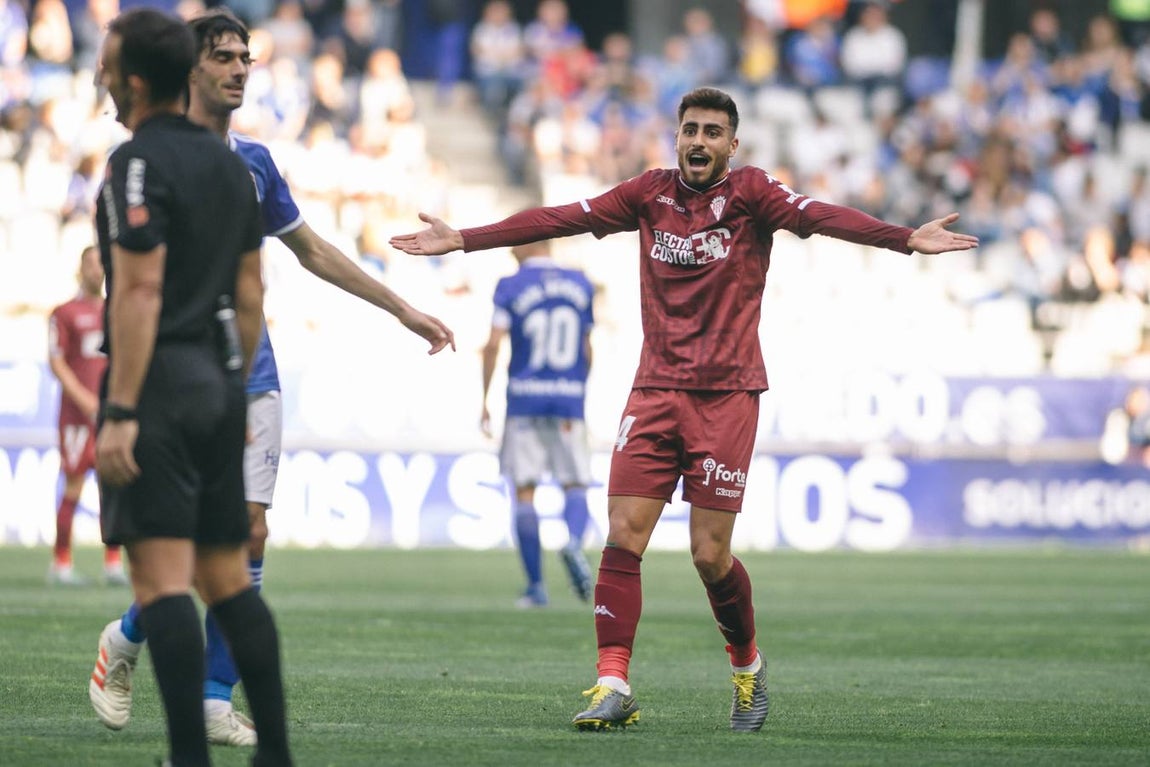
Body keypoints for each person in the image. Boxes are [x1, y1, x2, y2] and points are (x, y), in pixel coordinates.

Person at [390, 86, 979, 732]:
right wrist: (465, 239)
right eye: (689, 129)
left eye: (711, 132)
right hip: (655, 391)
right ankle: (612, 683)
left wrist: (903, 239)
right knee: (624, 533)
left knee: (709, 555)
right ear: (677, 138)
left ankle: (747, 667)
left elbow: (818, 216)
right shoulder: (649, 194)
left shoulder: (754, 193)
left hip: (727, 396)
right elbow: (565, 218)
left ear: (732, 144)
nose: (698, 141)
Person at [88, 7, 455, 748]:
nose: (239, 69)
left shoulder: (250, 162)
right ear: (188, 68)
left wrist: (401, 307)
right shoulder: (149, 163)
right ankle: (125, 640)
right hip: (187, 376)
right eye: (223, 55)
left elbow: (305, 253)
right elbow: (135, 289)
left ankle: (215, 702)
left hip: (240, 379)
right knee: (190, 557)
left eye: (245, 57)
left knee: (246, 536)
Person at [89, 7, 293, 765]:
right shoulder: (230, 166)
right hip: (222, 383)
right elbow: (250, 298)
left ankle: (189, 755)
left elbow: (137, 294)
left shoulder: (134, 163)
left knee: (164, 580)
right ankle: (275, 751)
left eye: (109, 67)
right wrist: (235, 396)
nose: (103, 79)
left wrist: (120, 409)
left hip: (161, 386)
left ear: (135, 80)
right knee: (231, 580)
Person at [480, 239, 595, 608]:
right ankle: (574, 542)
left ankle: (535, 588)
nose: (509, 247)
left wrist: (484, 399)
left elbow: (494, 343)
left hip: (524, 399)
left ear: (529, 244)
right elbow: (587, 348)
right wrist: (577, 388)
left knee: (525, 490)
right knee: (574, 482)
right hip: (567, 398)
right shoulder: (580, 283)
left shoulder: (510, 285)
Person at [47, 245, 125, 586]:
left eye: (101, 265)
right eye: (92, 265)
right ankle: (61, 563)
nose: (98, 271)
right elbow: (56, 361)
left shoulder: (115, 309)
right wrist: (85, 400)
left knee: (113, 486)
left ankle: (113, 564)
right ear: (81, 270)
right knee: (75, 486)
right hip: (76, 418)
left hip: (108, 413)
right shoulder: (64, 313)